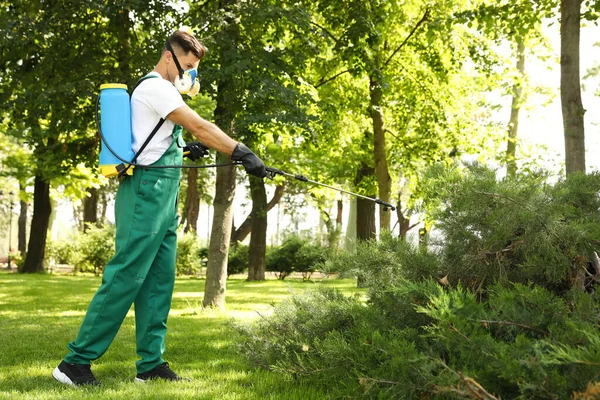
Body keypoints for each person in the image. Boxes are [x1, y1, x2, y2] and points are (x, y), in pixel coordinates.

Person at [53, 30, 266, 386]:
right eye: (188, 65)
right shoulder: (156, 87)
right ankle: (74, 362)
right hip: (145, 192)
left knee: (158, 281)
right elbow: (198, 125)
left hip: (165, 194)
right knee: (126, 276)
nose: (191, 75)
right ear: (170, 56)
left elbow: (152, 140)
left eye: (194, 68)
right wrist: (238, 151)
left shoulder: (167, 91)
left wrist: (184, 151)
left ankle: (150, 365)